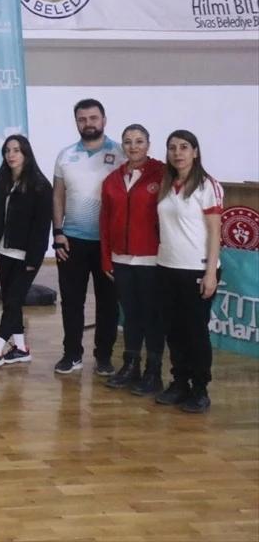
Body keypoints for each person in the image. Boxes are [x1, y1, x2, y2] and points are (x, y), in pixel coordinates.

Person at [53, 98, 123, 376]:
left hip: (108, 244)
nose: (88, 124)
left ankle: (104, 357)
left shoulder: (120, 153)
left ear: (104, 120)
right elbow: (58, 195)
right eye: (82, 119)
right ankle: (72, 354)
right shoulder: (65, 155)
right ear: (76, 122)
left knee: (108, 302)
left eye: (93, 118)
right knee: (71, 301)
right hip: (72, 240)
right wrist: (58, 233)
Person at [154, 130, 222, 414]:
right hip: (167, 267)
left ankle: (200, 388)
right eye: (172, 148)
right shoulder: (166, 185)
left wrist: (209, 273)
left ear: (195, 151)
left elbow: (215, 232)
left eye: (184, 147)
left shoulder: (208, 186)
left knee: (195, 331)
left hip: (196, 268)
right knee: (174, 330)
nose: (177, 153)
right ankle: (179, 382)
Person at [0, 135, 53, 372]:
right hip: (4, 252)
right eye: (7, 150)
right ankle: (20, 348)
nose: (11, 155)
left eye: (16, 150)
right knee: (11, 301)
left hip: (27, 255)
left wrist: (34, 258)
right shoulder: (1, 181)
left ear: (26, 153)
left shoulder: (40, 185)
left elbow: (42, 225)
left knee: (12, 302)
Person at [98, 124, 165, 393]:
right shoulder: (112, 179)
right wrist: (106, 258)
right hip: (121, 260)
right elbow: (104, 222)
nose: (133, 146)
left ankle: (154, 372)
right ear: (122, 146)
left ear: (148, 144)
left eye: (139, 141)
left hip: (152, 259)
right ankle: (130, 365)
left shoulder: (162, 175)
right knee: (131, 316)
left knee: (152, 316)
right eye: (128, 142)